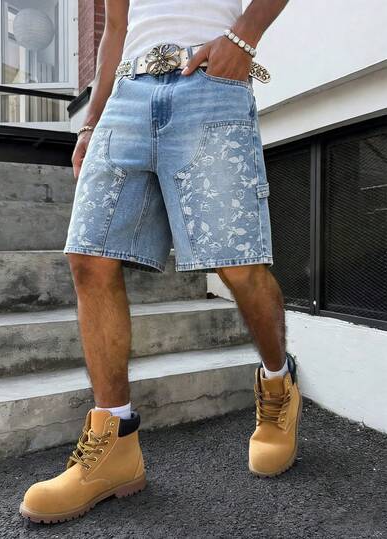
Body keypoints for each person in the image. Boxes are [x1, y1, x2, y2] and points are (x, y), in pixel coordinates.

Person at [20, 0, 301, 524]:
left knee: (236, 266)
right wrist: (90, 122)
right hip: (126, 95)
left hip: (210, 83)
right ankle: (115, 444)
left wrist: (244, 36)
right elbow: (115, 26)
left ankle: (277, 383)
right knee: (88, 257)